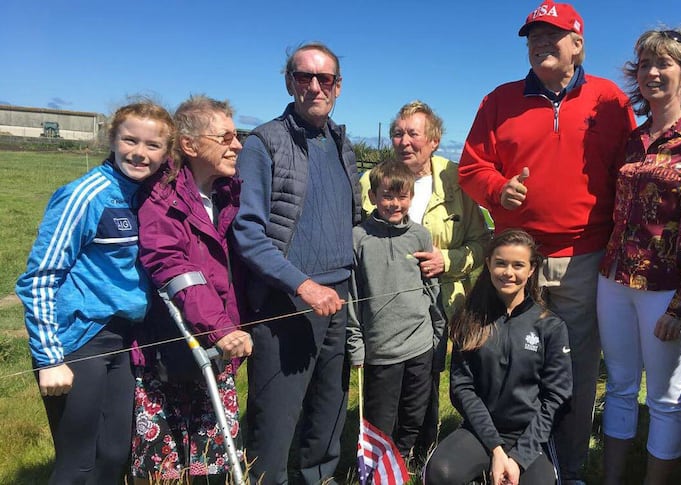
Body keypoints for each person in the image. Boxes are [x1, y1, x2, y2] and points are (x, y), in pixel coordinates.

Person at [457, 2, 635, 481]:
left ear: (577, 44)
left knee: (573, 370)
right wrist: (499, 189)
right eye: (532, 36)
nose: (539, 44)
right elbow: (472, 168)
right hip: (516, 259)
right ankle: (502, 456)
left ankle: (568, 467)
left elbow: (633, 172)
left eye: (551, 35)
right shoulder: (500, 99)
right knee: (508, 362)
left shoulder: (610, 101)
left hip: (584, 255)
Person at [15, 101, 174, 484]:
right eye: (130, 140)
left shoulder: (145, 194)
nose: (140, 152)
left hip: (120, 339)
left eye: (153, 146)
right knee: (78, 462)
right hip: (78, 339)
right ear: (112, 139)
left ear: (166, 153)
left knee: (115, 452)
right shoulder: (86, 195)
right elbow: (39, 278)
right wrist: (50, 358)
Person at [597, 28, 681, 484]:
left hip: (667, 288)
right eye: (646, 64)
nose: (653, 72)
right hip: (614, 279)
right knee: (618, 386)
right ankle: (611, 478)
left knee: (666, 398)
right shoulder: (634, 139)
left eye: (664, 64)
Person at [232, 42, 361, 484]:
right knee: (275, 423)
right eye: (304, 76)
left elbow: (350, 219)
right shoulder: (264, 142)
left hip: (338, 301)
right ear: (289, 82)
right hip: (287, 301)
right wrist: (302, 285)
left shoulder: (342, 142)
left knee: (327, 415)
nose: (314, 86)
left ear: (338, 87)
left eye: (324, 78)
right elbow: (248, 234)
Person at [360, 100, 490, 459]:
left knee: (427, 382)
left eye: (413, 134)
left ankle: (423, 453)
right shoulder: (370, 182)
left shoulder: (456, 178)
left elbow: (482, 242)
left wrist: (446, 261)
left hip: (441, 304)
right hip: (385, 310)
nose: (404, 141)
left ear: (433, 140)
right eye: (397, 133)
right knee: (385, 384)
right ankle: (381, 455)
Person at [131, 95, 252, 482]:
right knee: (163, 469)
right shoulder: (162, 196)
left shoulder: (226, 194)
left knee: (213, 463)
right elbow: (173, 268)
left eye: (238, 136)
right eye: (227, 137)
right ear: (190, 145)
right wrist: (223, 328)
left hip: (216, 348)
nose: (237, 145)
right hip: (172, 348)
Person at [423, 229, 572, 485]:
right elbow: (462, 389)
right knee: (441, 473)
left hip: (529, 435)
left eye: (518, 265)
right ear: (489, 264)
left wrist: (519, 457)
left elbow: (557, 397)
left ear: (532, 269)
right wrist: (496, 449)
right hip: (480, 432)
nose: (508, 272)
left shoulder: (550, 326)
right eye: (500, 263)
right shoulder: (469, 320)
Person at [347, 160, 445, 459]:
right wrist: (356, 344)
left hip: (420, 344)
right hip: (381, 349)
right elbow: (352, 296)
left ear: (411, 198)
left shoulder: (420, 235)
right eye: (387, 196)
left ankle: (401, 462)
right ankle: (380, 465)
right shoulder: (358, 238)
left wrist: (438, 337)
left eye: (402, 197)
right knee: (381, 418)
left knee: (414, 413)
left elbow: (433, 290)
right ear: (373, 197)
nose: (394, 203)